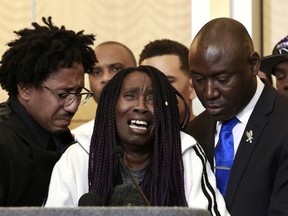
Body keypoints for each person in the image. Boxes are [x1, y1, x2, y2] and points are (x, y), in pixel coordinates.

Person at [45, 65, 229, 216]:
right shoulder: (77, 157)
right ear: (111, 105)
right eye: (130, 96)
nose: (141, 106)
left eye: (153, 99)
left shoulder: (186, 153)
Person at [186, 17, 288, 215]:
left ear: (253, 64)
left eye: (222, 79)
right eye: (199, 79)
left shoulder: (283, 122)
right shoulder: (193, 132)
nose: (209, 93)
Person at [0, 17, 96, 206]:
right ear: (25, 88)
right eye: (63, 94)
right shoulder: (4, 142)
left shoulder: (59, 135)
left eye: (78, 93)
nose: (73, 106)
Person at [72, 41, 137, 142]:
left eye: (116, 69)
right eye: (96, 72)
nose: (106, 78)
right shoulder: (76, 140)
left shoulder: (163, 134)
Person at [139, 39, 196, 122]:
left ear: (192, 88)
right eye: (149, 83)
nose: (156, 90)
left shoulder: (214, 133)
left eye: (167, 82)